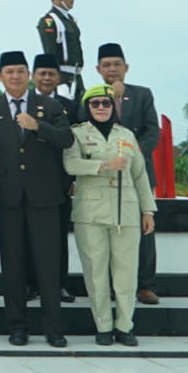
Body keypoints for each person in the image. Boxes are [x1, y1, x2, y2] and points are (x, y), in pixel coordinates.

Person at [0, 50, 74, 347]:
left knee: (47, 266)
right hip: (9, 200)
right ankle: (17, 326)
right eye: (9, 72)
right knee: (14, 266)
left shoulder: (49, 104)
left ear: (29, 75)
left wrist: (38, 126)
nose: (16, 76)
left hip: (45, 198)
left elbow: (67, 139)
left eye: (21, 71)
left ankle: (53, 328)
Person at [66, 83, 157, 346]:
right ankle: (103, 326)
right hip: (90, 212)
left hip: (125, 211)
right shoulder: (78, 134)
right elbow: (70, 163)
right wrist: (104, 164)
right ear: (87, 107)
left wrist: (147, 209)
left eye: (106, 103)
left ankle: (125, 326)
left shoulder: (127, 135)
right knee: (96, 273)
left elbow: (140, 174)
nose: (102, 108)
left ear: (114, 106)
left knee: (126, 272)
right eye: (95, 104)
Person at [93, 42, 162, 304]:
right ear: (98, 69)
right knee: (111, 232)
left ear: (126, 67)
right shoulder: (91, 96)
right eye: (106, 65)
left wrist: (130, 158)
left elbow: (152, 131)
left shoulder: (143, 94)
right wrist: (110, 98)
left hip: (137, 174)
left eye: (117, 64)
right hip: (104, 176)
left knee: (143, 230)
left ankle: (145, 285)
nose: (112, 69)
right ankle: (114, 285)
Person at [31, 52, 79, 304]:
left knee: (58, 236)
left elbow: (76, 144)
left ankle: (60, 284)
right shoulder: (23, 102)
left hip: (61, 180)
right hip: (29, 179)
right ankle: (31, 284)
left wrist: (74, 178)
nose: (47, 78)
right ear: (33, 76)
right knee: (28, 237)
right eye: (42, 73)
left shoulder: (71, 106)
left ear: (58, 77)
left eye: (51, 74)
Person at [37, 0, 84, 98]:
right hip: (62, 78)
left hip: (76, 76)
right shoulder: (50, 21)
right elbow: (50, 52)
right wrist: (57, 80)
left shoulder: (71, 20)